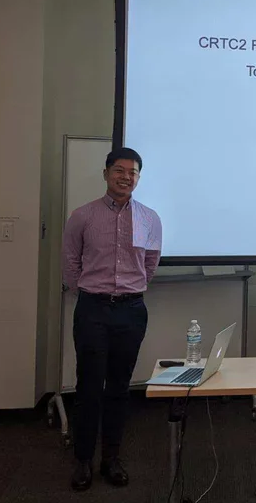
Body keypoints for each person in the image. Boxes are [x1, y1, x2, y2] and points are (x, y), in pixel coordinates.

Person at [62, 147, 162, 491]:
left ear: (138, 178)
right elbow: (70, 262)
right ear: (106, 173)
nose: (126, 177)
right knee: (88, 387)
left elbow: (150, 263)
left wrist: (130, 289)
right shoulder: (83, 216)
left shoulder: (149, 218)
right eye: (119, 170)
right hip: (93, 309)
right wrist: (89, 293)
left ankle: (111, 458)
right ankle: (83, 460)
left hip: (131, 311)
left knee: (120, 387)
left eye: (133, 172)